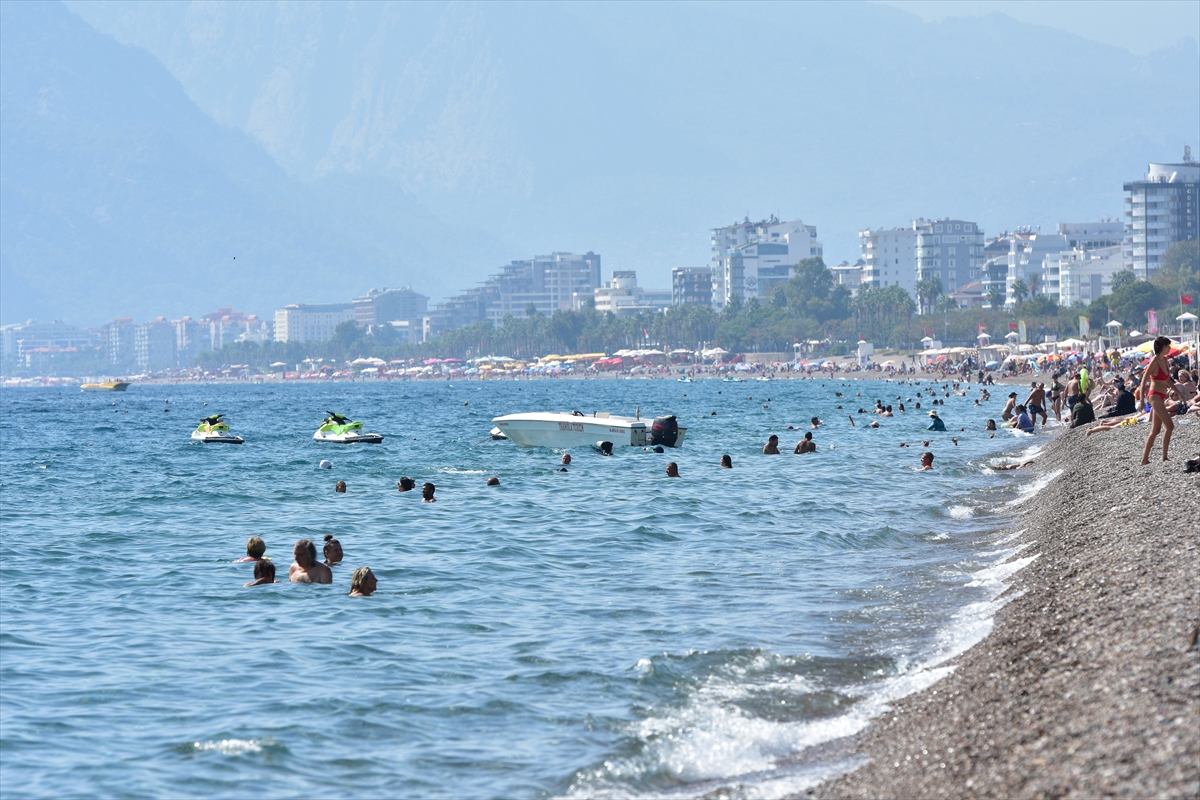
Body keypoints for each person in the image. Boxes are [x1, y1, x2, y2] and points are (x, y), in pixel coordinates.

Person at [1139, 336, 1182, 465]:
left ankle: (1145, 460)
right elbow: (1143, 380)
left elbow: (1167, 380)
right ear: (1162, 347)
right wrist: (1141, 400)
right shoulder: (1154, 361)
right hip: (1154, 396)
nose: (1169, 348)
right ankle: (1164, 457)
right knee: (1170, 425)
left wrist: (1179, 392)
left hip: (1161, 396)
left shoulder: (1165, 361)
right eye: (1167, 346)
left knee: (1156, 430)